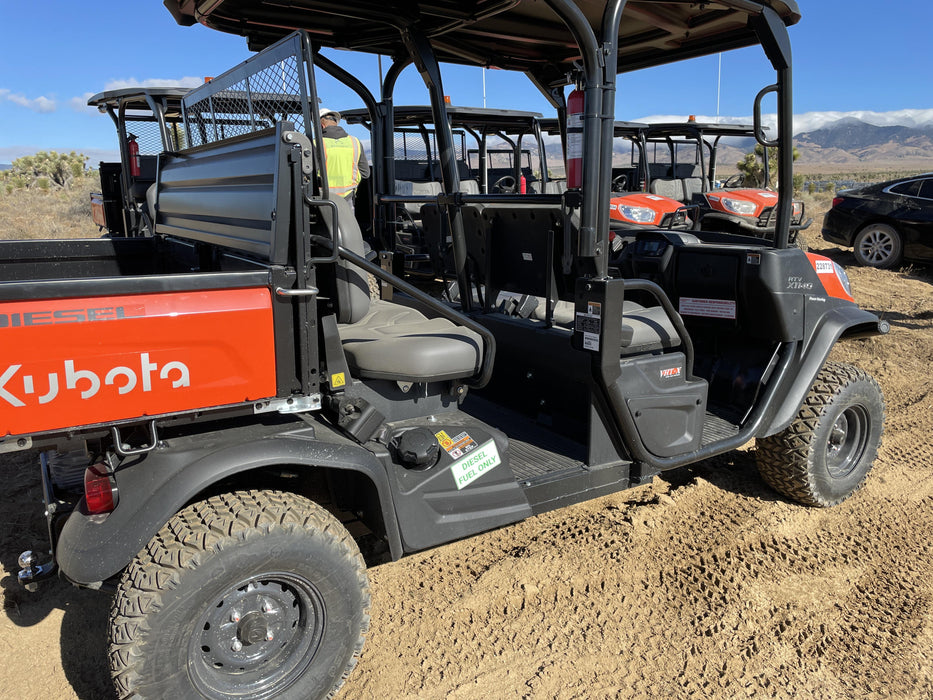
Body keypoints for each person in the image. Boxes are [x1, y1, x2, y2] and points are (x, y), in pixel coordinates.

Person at [319, 108, 370, 211]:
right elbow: (365, 173)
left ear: (321, 126)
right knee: (347, 226)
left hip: (322, 201)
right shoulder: (355, 142)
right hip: (348, 199)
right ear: (336, 123)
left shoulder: (316, 144)